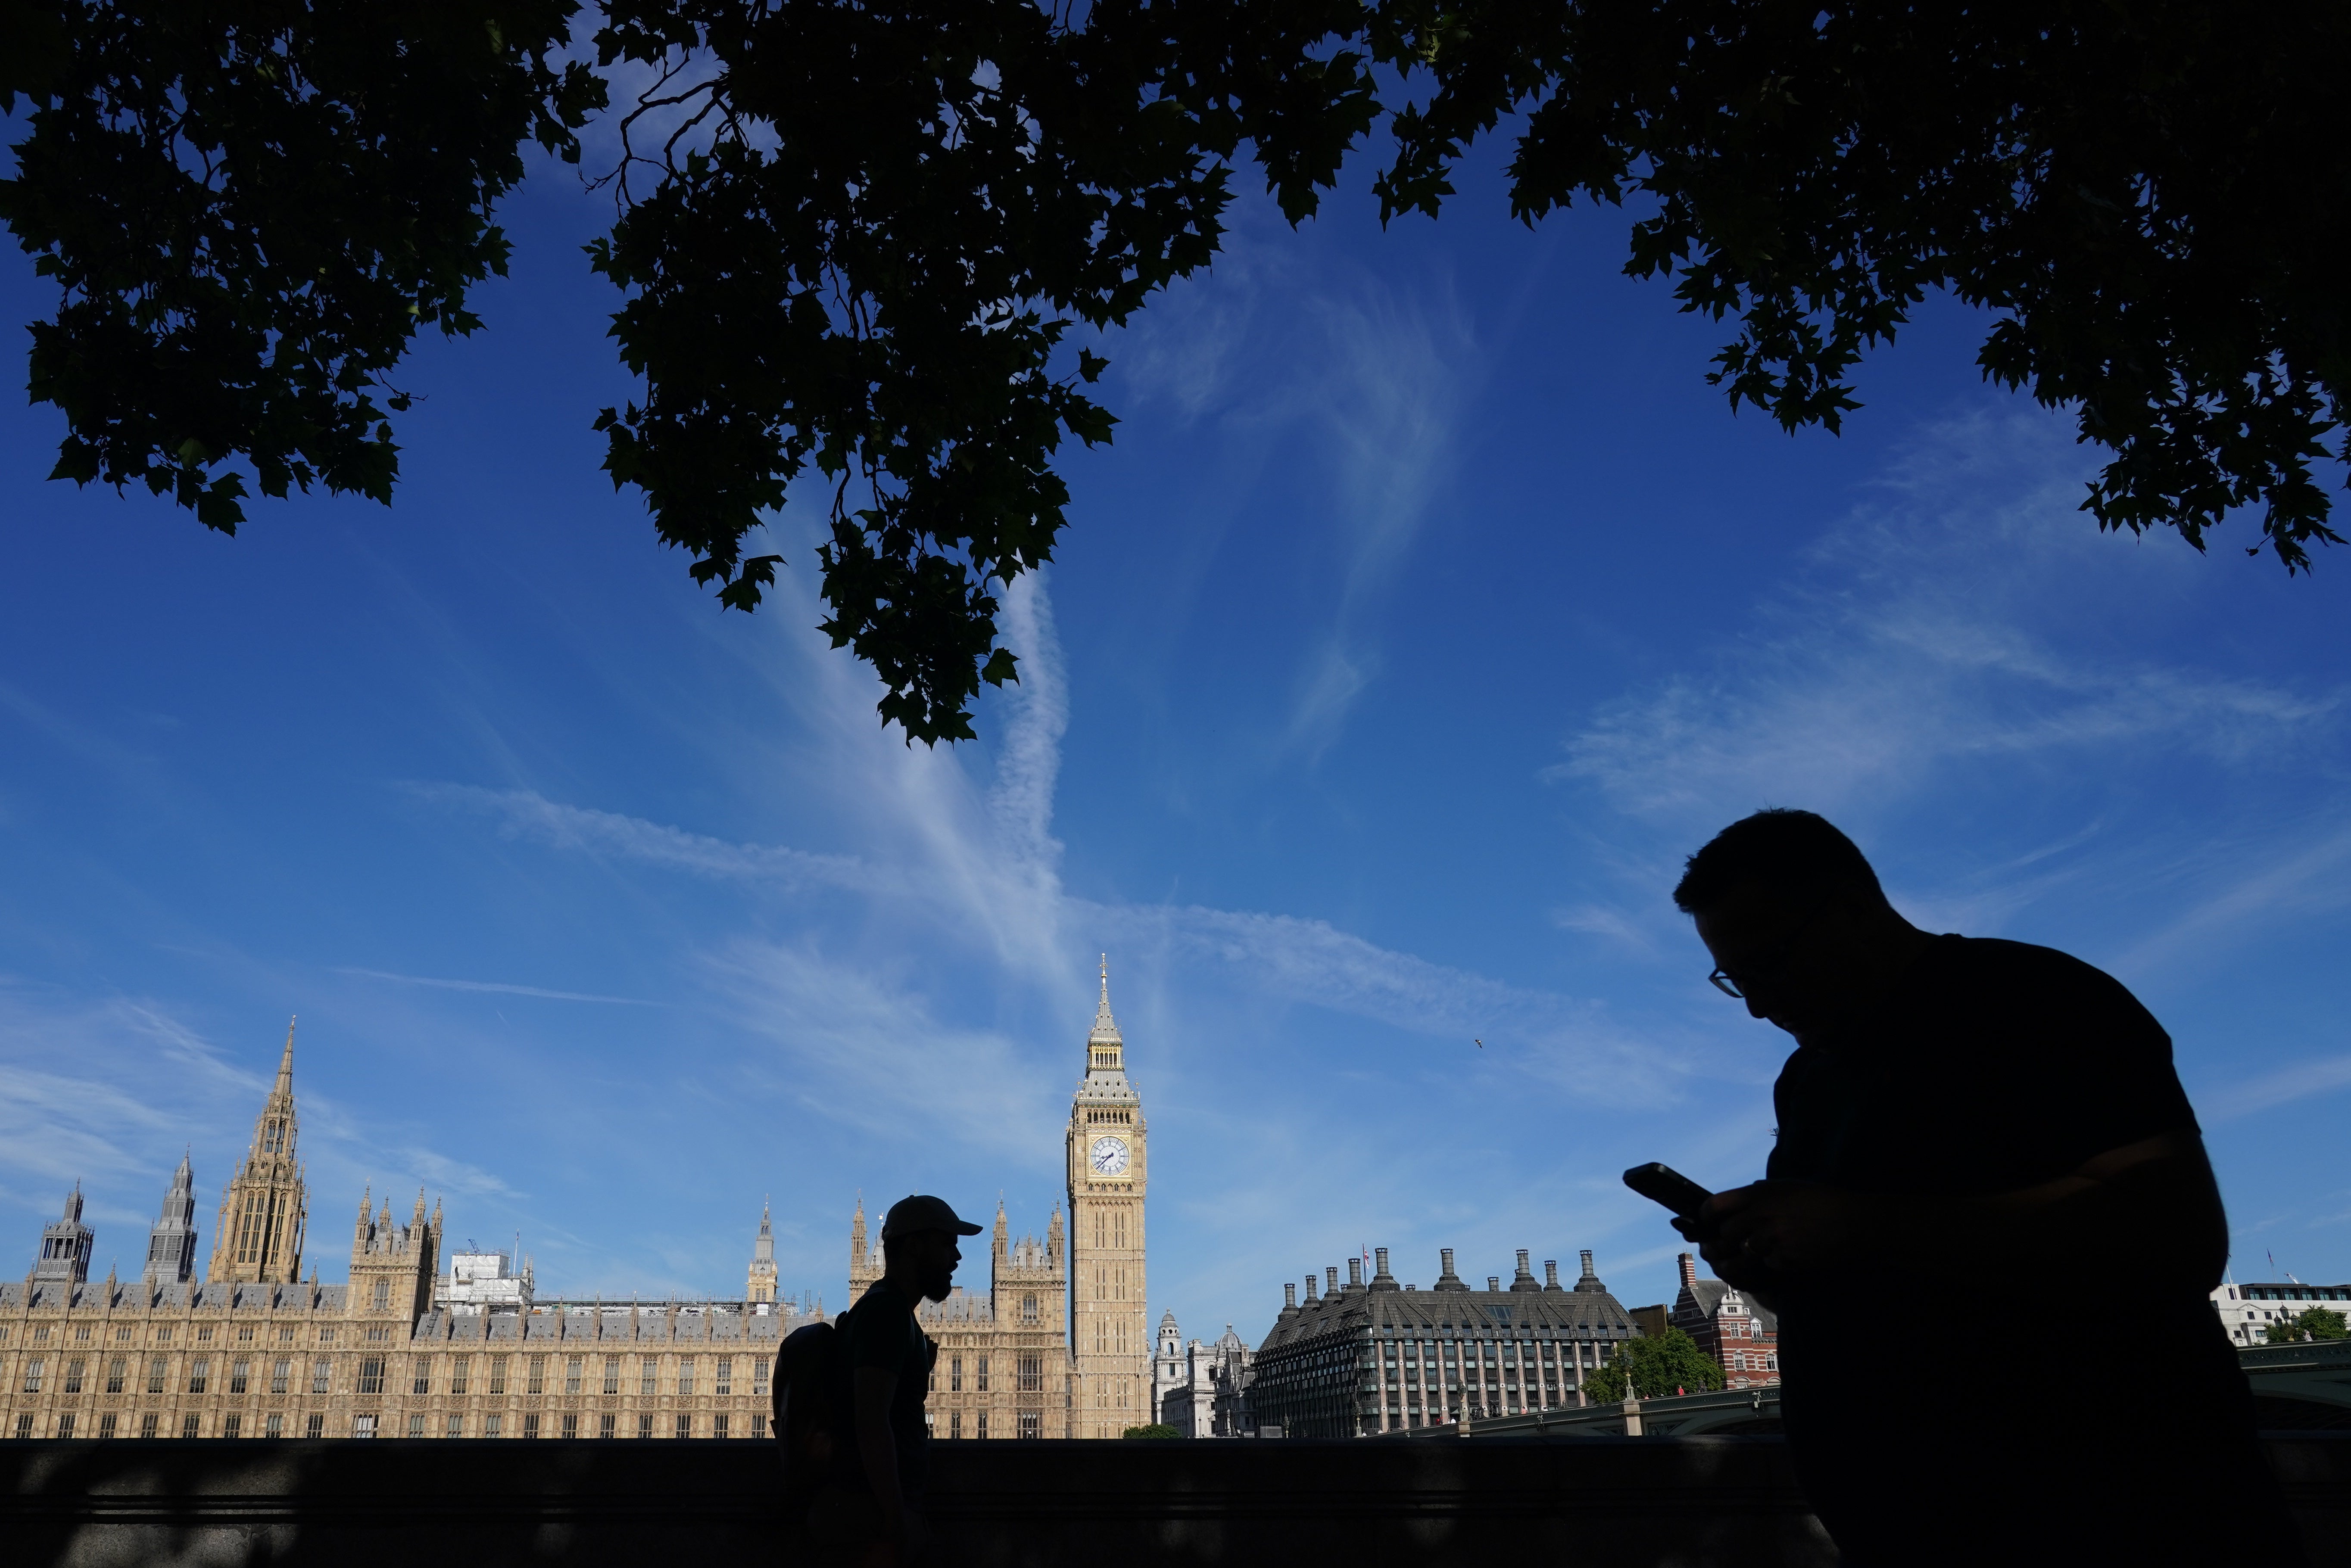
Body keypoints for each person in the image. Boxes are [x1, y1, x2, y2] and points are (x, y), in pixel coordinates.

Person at [1669, 809, 2304, 1566]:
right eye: (1732, 979)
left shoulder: (2034, 1000)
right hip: (1910, 1520)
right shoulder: (1809, 1080)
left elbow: (2175, 1234)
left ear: (1844, 910)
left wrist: (1857, 1223)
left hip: (2102, 1510)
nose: (1758, 1005)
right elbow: (1859, 1275)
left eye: (1767, 964)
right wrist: (1766, 1266)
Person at [807, 1194, 980, 1568]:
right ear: (915, 1246)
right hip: (871, 1523)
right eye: (947, 1243)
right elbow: (871, 1422)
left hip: (874, 1515)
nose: (957, 1257)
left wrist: (918, 1367)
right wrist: (895, 1516)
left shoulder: (891, 1311)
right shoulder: (887, 1313)